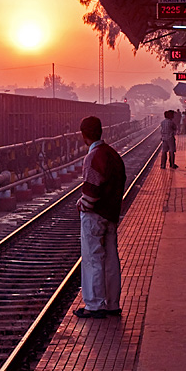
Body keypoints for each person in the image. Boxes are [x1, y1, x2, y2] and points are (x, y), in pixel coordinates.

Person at [74, 116, 126, 319]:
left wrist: (82, 205)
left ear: (84, 135)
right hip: (111, 215)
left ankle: (94, 305)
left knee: (93, 259)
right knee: (111, 260)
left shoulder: (93, 157)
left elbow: (92, 191)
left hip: (95, 216)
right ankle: (113, 303)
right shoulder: (113, 154)